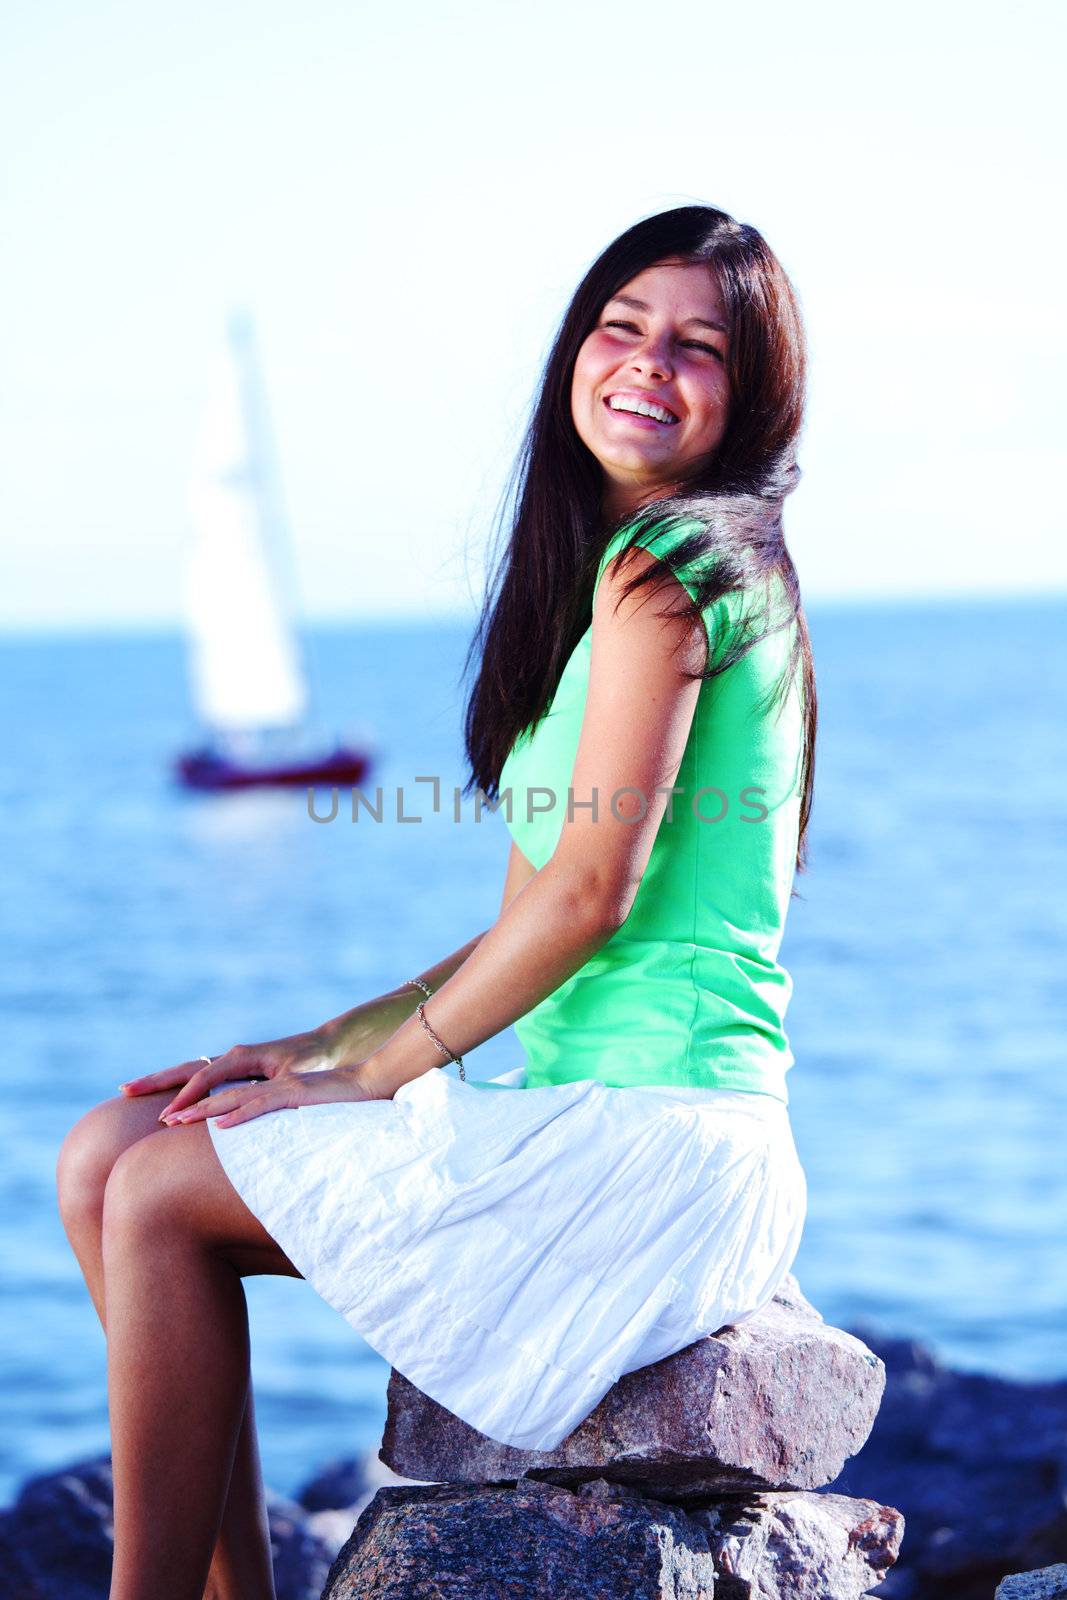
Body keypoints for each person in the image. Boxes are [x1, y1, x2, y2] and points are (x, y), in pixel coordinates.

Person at [56, 202, 816, 1600]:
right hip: (591, 1113)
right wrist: (315, 1052)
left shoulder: (685, 573)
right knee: (114, 1149)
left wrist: (378, 1082)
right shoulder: (604, 588)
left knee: (158, 1191)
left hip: (668, 1143)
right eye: (620, 327)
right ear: (574, 354)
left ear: (754, 390)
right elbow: (524, 917)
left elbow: (593, 894)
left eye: (697, 347)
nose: (648, 364)